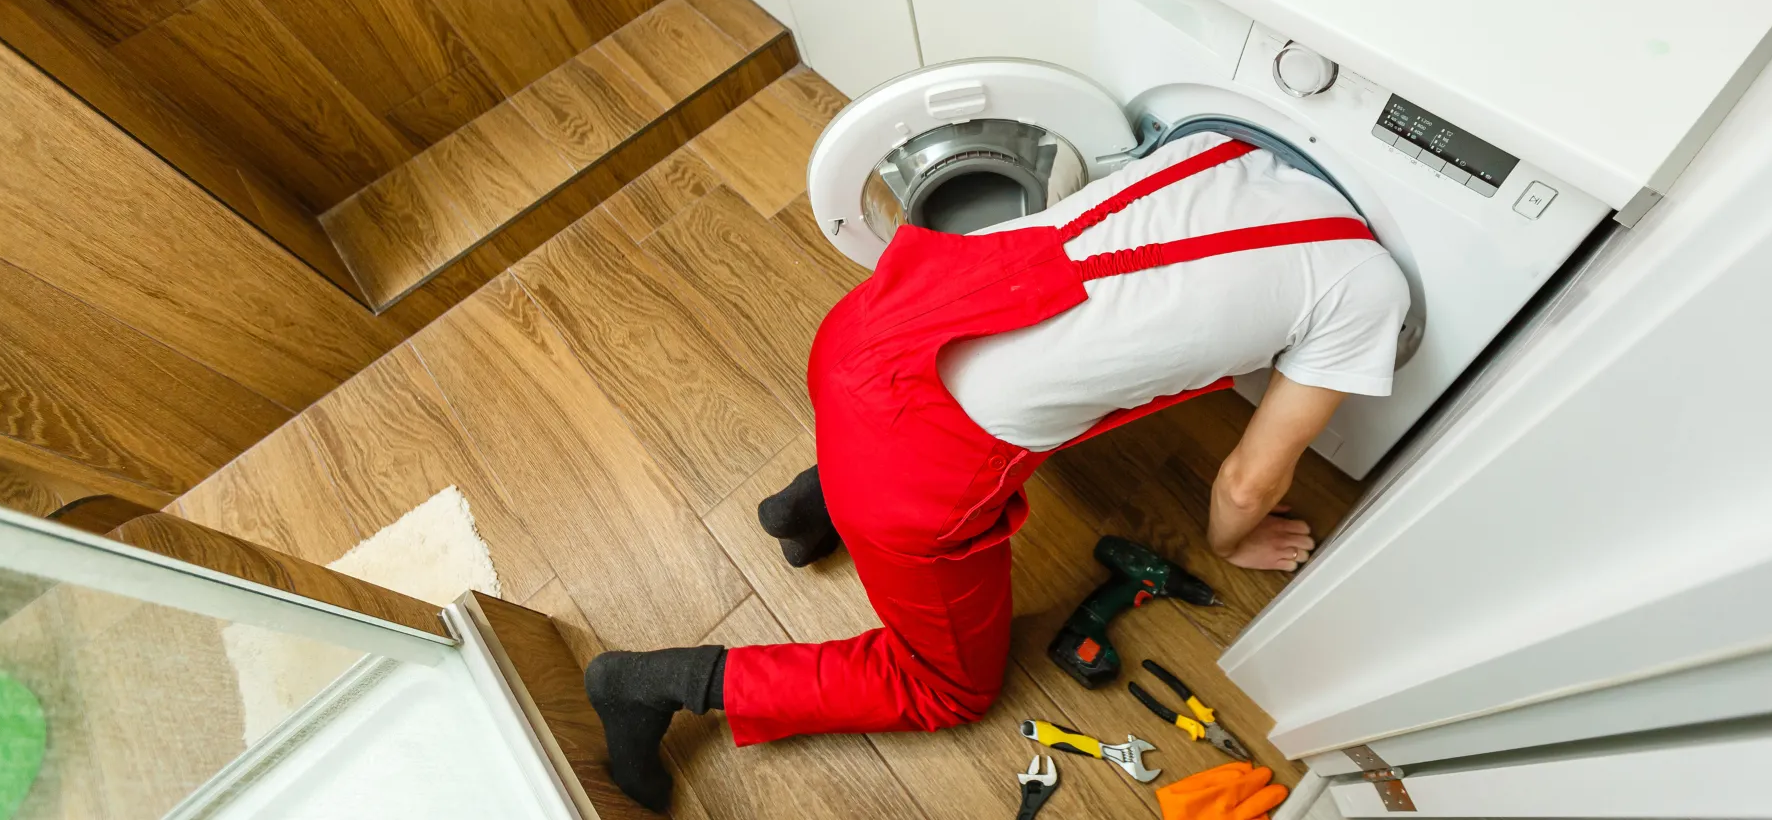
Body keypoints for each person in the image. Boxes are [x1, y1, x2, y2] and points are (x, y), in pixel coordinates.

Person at [584, 131, 1411, 812]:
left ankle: (811, 504)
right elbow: (1245, 486)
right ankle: (654, 684)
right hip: (904, 476)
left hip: (873, 325)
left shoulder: (1229, 148)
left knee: (1014, 388)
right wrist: (1234, 543)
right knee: (945, 690)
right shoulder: (1367, 287)